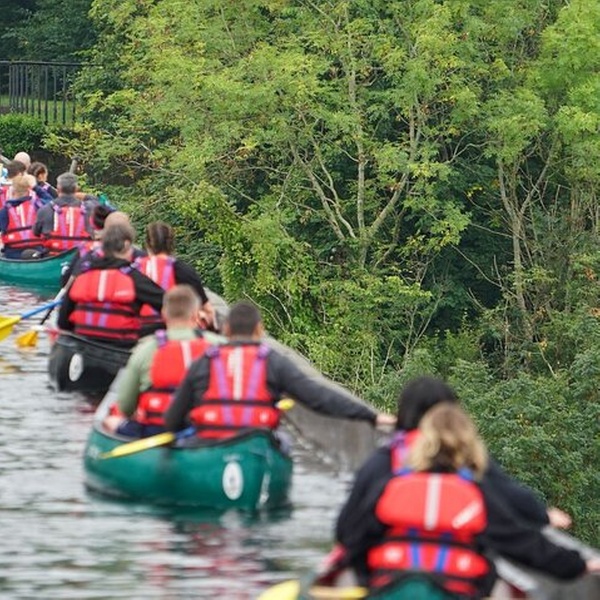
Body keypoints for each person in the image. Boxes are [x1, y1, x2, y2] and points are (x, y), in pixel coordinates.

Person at [335, 403, 600, 598]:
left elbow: (351, 537)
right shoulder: (476, 494)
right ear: (468, 445)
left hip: (393, 587)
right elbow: (521, 542)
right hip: (454, 589)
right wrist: (578, 564)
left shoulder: (390, 486)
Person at [336, 376, 572, 538]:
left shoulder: (383, 460)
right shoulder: (461, 458)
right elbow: (506, 491)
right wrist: (542, 514)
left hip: (393, 568)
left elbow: (347, 527)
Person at [165, 300, 396, 439]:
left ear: (225, 330)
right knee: (283, 443)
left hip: (210, 445)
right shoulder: (273, 362)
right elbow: (318, 397)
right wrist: (371, 415)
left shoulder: (203, 362)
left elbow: (172, 420)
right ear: (259, 330)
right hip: (254, 446)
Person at [103, 285, 222, 438]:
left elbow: (126, 407)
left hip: (157, 432)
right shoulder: (219, 345)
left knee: (111, 421)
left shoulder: (146, 349)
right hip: (206, 431)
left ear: (164, 314)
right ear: (195, 314)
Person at [56, 222, 165, 347]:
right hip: (121, 347)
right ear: (126, 245)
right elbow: (165, 303)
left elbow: (63, 322)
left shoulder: (82, 276)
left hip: (83, 344)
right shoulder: (133, 278)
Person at [134, 221, 215, 335]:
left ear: (147, 244)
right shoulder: (183, 271)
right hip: (175, 331)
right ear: (171, 244)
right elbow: (208, 311)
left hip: (140, 331)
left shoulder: (133, 269)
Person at [32, 172, 97, 255]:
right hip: (81, 258)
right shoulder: (89, 208)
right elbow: (96, 200)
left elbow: (36, 233)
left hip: (53, 258)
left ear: (58, 188)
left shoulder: (45, 210)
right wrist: (82, 195)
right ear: (76, 189)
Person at [0, 174, 44, 258]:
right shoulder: (38, 205)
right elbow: (51, 200)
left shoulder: (5, 210)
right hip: (37, 250)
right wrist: (36, 187)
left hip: (13, 253)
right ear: (29, 190)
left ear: (13, 191)